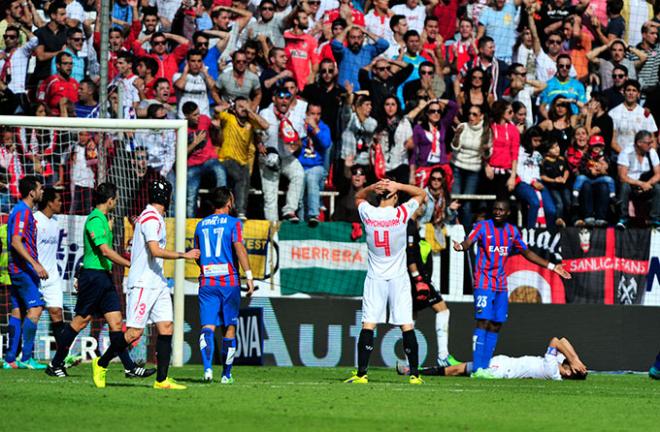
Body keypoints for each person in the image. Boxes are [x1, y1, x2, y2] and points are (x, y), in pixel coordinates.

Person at [46, 183, 154, 381]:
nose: (117, 201)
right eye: (116, 197)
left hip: (104, 277)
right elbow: (104, 251)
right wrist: (130, 263)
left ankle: (129, 367)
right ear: (110, 200)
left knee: (116, 323)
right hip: (94, 277)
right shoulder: (95, 219)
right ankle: (55, 363)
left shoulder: (103, 219)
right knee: (80, 322)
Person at [452, 200, 571, 378]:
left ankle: (484, 368)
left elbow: (527, 253)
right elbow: (469, 242)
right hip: (484, 282)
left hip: (501, 284)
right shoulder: (482, 227)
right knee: (483, 321)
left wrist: (553, 267)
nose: (497, 212)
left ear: (508, 213)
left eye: (501, 210)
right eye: (495, 209)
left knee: (496, 324)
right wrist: (461, 246)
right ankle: (478, 368)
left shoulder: (511, 231)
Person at [344, 179, 426, 384]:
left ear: (378, 196)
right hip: (398, 277)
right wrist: (399, 185)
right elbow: (421, 194)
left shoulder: (368, 213)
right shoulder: (401, 213)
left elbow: (358, 197)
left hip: (375, 277)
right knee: (406, 324)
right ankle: (415, 375)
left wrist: (371, 187)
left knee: (368, 324)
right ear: (396, 197)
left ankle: (362, 374)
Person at [124, 180, 200, 390]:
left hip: (157, 282)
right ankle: (101, 363)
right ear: (167, 197)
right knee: (133, 334)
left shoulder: (155, 217)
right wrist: (184, 255)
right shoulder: (149, 218)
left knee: (166, 327)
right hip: (142, 283)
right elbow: (155, 251)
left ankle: (162, 380)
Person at [195, 187, 255, 383]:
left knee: (208, 326)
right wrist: (249, 276)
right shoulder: (234, 223)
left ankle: (207, 370)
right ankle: (226, 375)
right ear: (229, 202)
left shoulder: (201, 225)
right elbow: (239, 248)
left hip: (207, 282)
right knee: (229, 327)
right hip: (229, 282)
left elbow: (197, 255)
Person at [33, 186, 82, 369]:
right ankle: (18, 355)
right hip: (36, 275)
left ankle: (62, 357)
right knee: (30, 313)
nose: (61, 203)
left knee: (57, 314)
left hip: (53, 276)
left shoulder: (55, 222)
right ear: (49, 202)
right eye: (58, 200)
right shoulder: (34, 220)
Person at [3, 176, 48, 369]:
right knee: (36, 309)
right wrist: (35, 264)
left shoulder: (21, 210)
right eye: (40, 189)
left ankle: (10, 359)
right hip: (23, 270)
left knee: (18, 311)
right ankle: (27, 357)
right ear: (32, 192)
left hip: (18, 269)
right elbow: (15, 241)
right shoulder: (23, 212)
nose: (42, 192)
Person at [411, 336, 588, 381]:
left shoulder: (553, 371)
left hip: (501, 371)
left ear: (569, 372)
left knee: (456, 371)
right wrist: (576, 359)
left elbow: (556, 341)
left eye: (571, 368)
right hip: (503, 362)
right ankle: (415, 370)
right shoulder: (559, 363)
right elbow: (563, 340)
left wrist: (574, 360)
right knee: (457, 370)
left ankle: (415, 371)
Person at [182, 101, 226, 217]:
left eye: (198, 113)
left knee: (220, 171)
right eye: (195, 115)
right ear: (187, 116)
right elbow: (181, 154)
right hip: (192, 165)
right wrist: (195, 143)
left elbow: (217, 138)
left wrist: (217, 128)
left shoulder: (205, 119)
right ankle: (190, 224)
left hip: (209, 160)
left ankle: (222, 211)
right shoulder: (181, 128)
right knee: (191, 195)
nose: (198, 117)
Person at [617, 130, 660, 229]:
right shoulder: (627, 152)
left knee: (658, 188)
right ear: (639, 143)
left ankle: (655, 219)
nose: (651, 145)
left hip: (646, 184)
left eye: (651, 142)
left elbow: (658, 174)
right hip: (631, 184)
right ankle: (623, 219)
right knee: (624, 186)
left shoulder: (652, 152)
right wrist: (640, 184)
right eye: (648, 143)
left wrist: (647, 184)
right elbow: (622, 177)